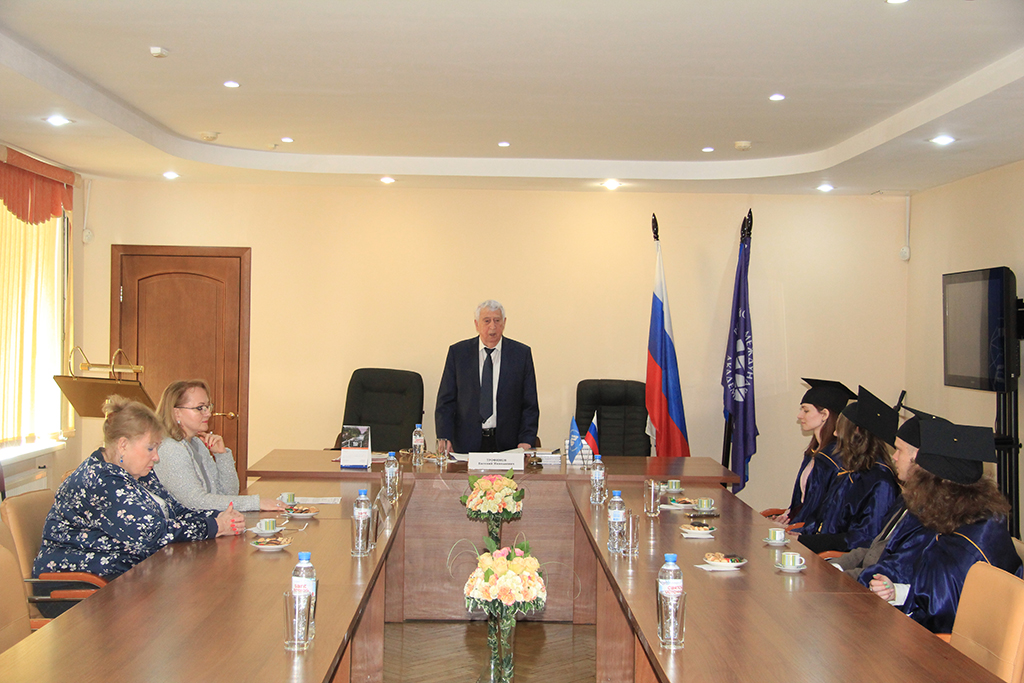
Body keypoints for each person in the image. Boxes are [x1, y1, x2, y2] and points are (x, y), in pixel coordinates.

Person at [33, 396, 244, 612]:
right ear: (123, 445)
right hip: (78, 587)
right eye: (151, 448)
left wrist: (219, 517)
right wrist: (214, 526)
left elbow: (175, 510)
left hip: (121, 577)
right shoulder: (101, 480)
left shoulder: (135, 471)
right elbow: (151, 533)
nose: (156, 457)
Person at [861, 416, 1021, 634]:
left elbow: (940, 619)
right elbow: (937, 597)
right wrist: (896, 592)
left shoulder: (963, 546)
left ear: (935, 487)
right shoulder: (974, 521)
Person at [154, 379, 283, 512]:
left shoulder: (197, 443)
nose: (208, 414)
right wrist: (256, 503)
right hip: (187, 523)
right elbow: (195, 502)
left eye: (208, 407)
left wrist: (221, 455)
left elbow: (229, 493)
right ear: (176, 413)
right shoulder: (170, 449)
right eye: (200, 408)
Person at [798, 386, 899, 553]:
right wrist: (802, 535)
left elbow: (865, 537)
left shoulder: (880, 481)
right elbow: (824, 518)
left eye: (840, 428)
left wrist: (810, 542)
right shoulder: (851, 471)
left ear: (857, 431)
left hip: (841, 559)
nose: (835, 434)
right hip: (823, 547)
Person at [435, 300, 539, 454]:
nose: (492, 326)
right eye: (487, 321)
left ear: (504, 323)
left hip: (508, 445)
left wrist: (526, 439)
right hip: (466, 444)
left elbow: (530, 405)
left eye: (497, 320)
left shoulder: (521, 355)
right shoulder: (458, 354)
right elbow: (446, 402)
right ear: (476, 324)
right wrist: (444, 436)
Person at [771, 378, 855, 527]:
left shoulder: (834, 458)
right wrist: (786, 517)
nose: (799, 416)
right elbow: (803, 501)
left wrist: (794, 528)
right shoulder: (814, 452)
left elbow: (820, 510)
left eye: (806, 410)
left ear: (824, 414)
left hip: (811, 531)